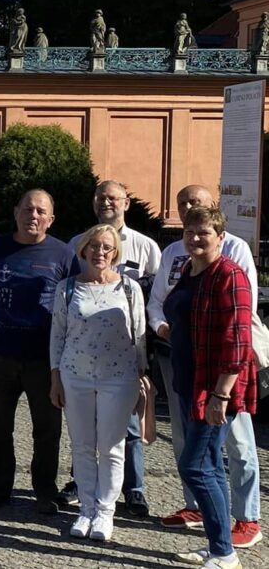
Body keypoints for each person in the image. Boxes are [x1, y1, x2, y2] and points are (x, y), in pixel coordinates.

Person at [149, 185, 262, 550]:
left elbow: (238, 338)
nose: (195, 236)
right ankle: (217, 542)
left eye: (204, 231)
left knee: (200, 463)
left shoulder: (229, 271)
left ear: (220, 235)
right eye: (189, 230)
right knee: (208, 464)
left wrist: (221, 394)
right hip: (186, 377)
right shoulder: (187, 266)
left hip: (213, 385)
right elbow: (163, 304)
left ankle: (233, 537)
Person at [0, 189, 79, 513]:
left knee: (47, 429)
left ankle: (44, 489)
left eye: (40, 211)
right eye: (28, 209)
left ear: (51, 218)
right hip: (1, 353)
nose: (33, 216)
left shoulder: (64, 255)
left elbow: (74, 307)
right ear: (16, 211)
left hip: (44, 360)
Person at [61, 180, 161, 517]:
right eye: (100, 197)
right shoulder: (76, 243)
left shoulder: (146, 246)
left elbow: (155, 299)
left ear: (126, 203)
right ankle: (83, 489)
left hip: (123, 360)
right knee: (85, 432)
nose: (106, 202)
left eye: (113, 197)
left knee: (125, 432)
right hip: (82, 361)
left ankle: (133, 490)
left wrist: (143, 365)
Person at [49, 224, 147, 542]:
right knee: (82, 446)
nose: (100, 252)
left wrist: (143, 377)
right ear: (83, 250)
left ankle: (106, 513)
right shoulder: (67, 287)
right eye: (94, 246)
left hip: (119, 378)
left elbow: (141, 334)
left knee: (111, 448)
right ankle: (86, 509)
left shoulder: (129, 289)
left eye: (107, 247)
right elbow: (57, 335)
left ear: (115, 252)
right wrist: (55, 377)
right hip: (74, 375)